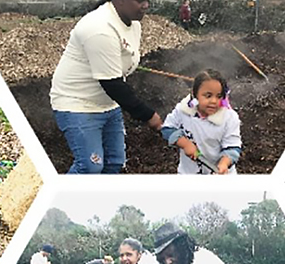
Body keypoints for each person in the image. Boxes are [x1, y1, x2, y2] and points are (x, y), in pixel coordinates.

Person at [50, 0, 162, 174]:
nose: (146, 5)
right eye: (139, 0)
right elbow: (112, 84)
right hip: (77, 103)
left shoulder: (134, 25)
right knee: (90, 167)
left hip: (108, 103)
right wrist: (149, 116)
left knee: (114, 163)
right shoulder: (99, 29)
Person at [161, 69, 241, 174]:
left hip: (219, 178)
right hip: (188, 175)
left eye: (218, 96)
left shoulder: (229, 118)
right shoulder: (184, 110)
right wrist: (185, 143)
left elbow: (233, 147)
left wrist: (224, 163)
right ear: (195, 95)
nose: (213, 101)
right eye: (208, 96)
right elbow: (167, 128)